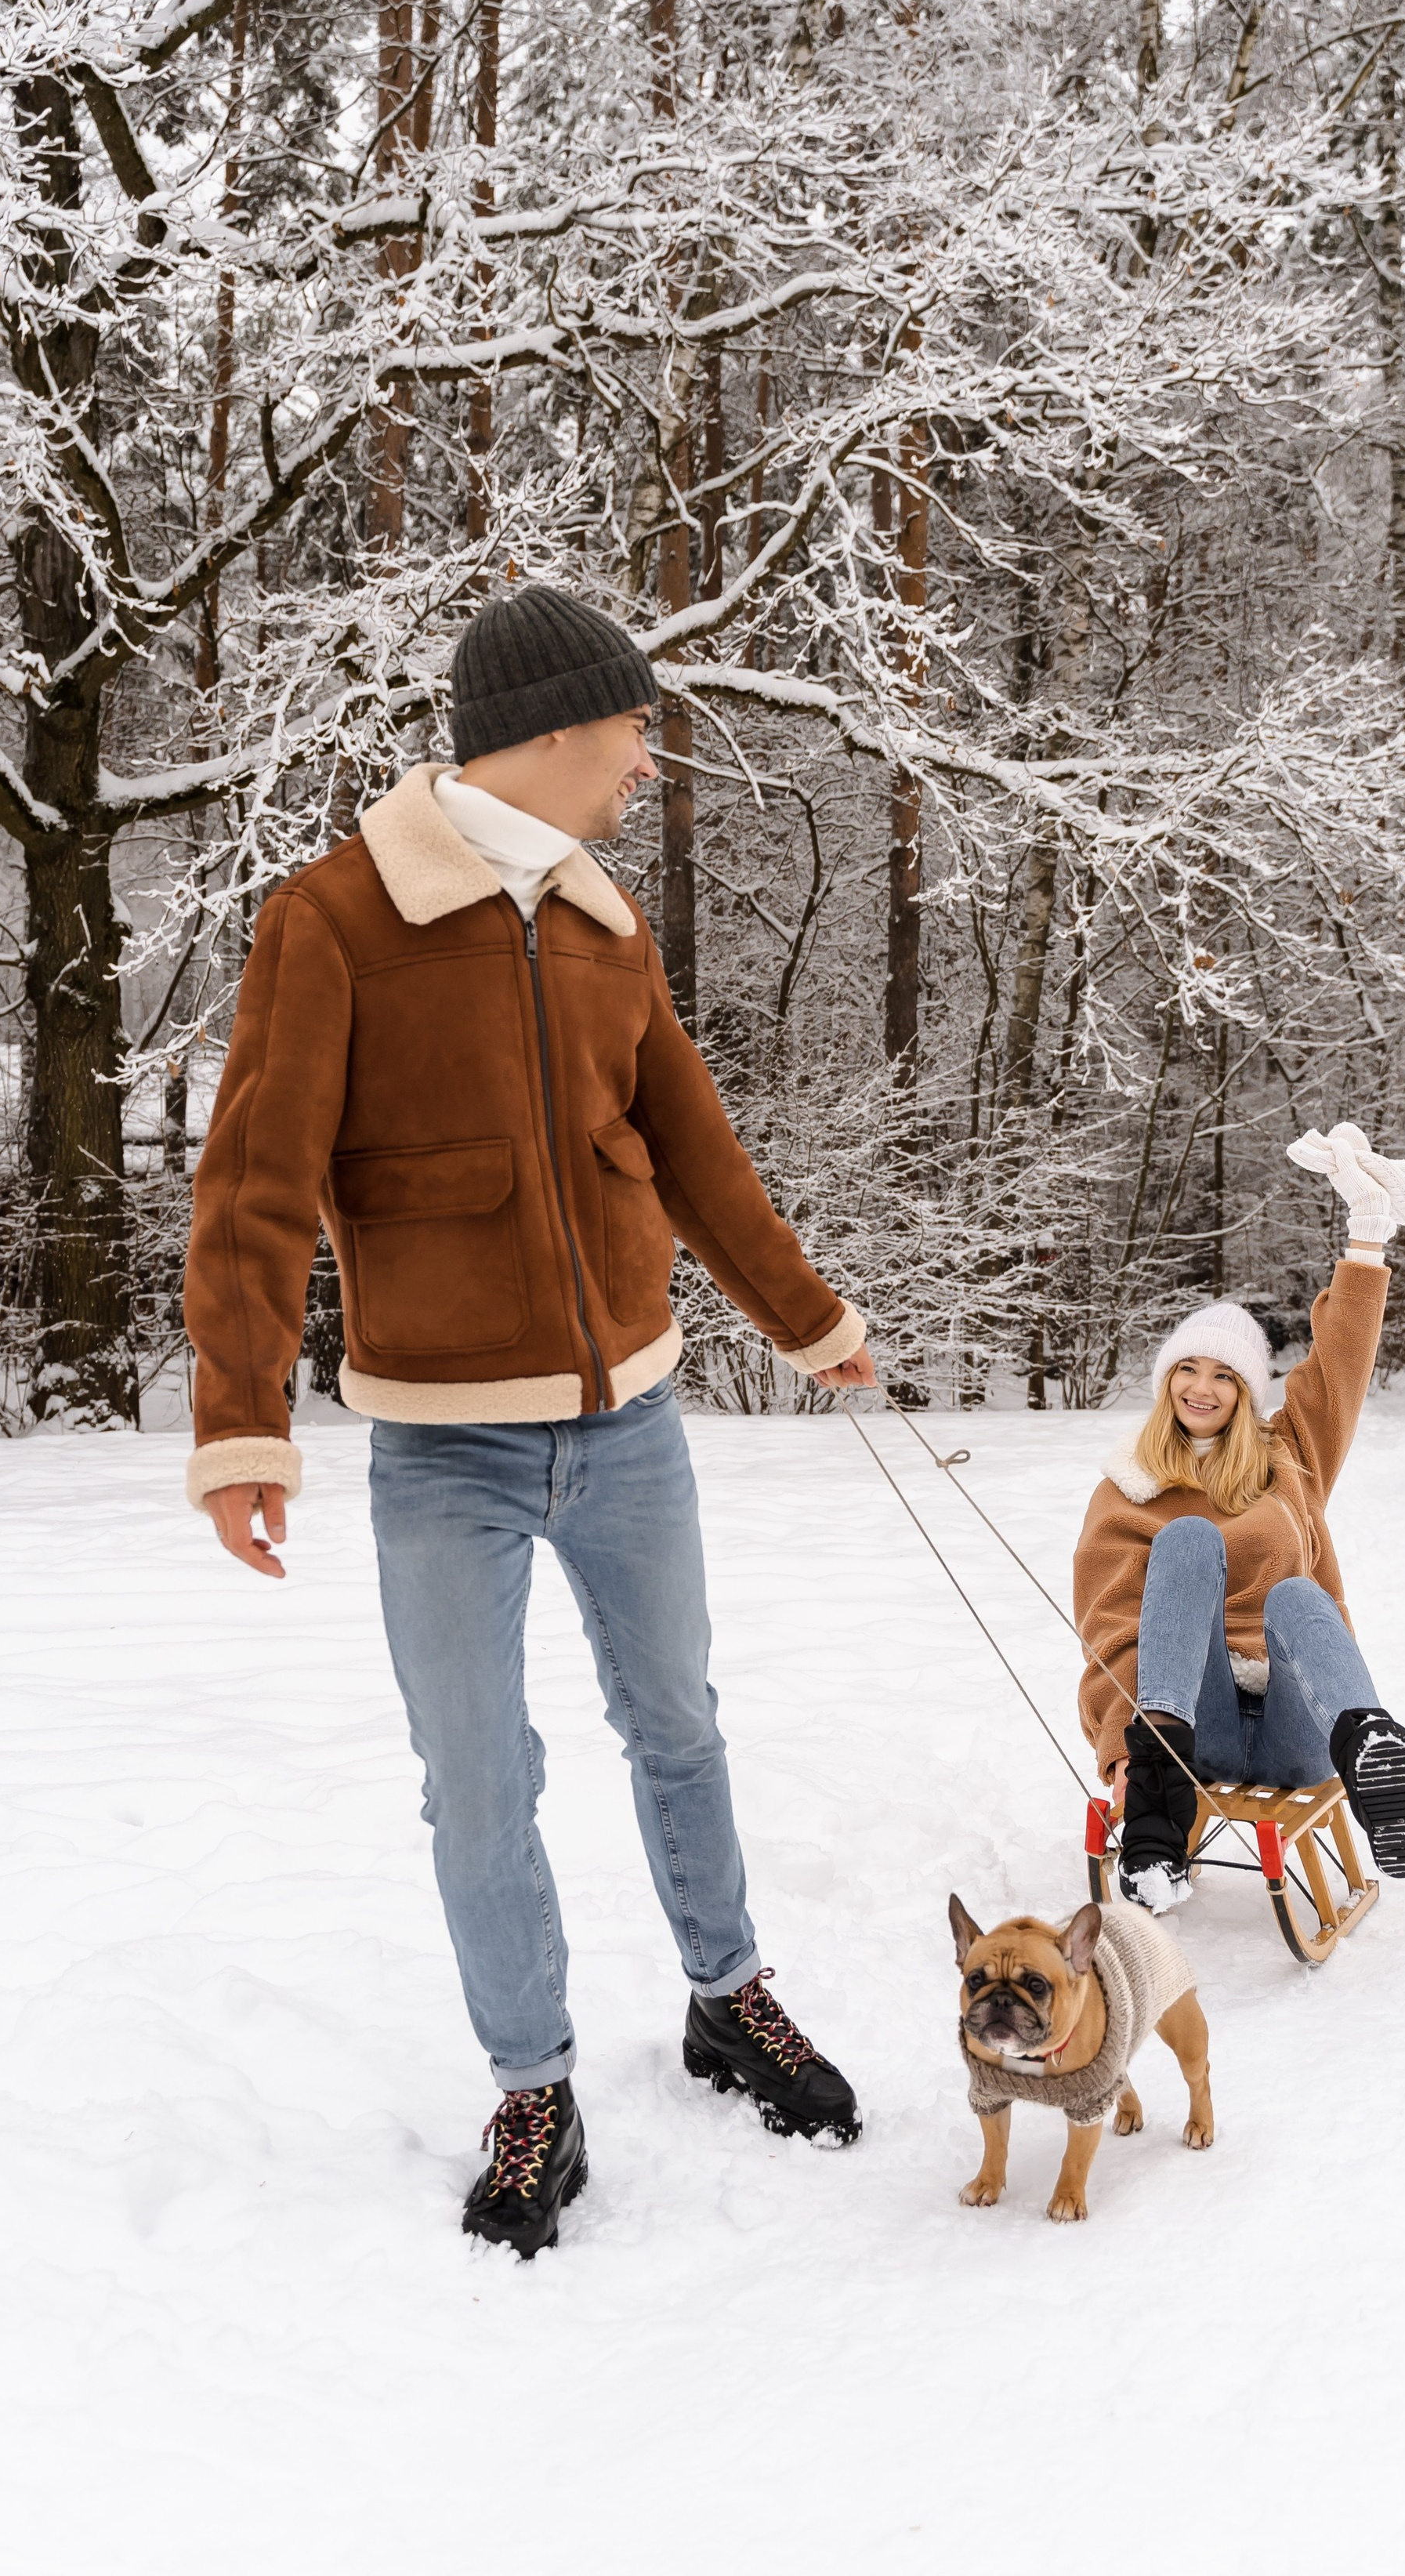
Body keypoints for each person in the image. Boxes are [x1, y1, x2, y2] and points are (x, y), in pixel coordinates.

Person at [182, 585, 875, 2255]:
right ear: (559, 729)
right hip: (443, 1448)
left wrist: (807, 1318)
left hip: (630, 1425)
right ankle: (532, 2086)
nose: (645, 763)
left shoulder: (596, 922)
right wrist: (242, 1423)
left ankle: (727, 1995)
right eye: (632, 731)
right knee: (477, 1782)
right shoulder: (335, 920)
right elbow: (256, 1185)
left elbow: (692, 1148)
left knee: (679, 1727)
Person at [1074, 1123, 1405, 1912]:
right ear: (1167, 1382)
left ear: (1248, 1393)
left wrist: (1366, 1238)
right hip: (1186, 1728)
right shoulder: (1125, 1491)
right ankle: (1158, 1788)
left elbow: (1339, 1365)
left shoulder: (1287, 1458)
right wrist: (1119, 1756)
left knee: (1298, 1597)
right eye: (1186, 1372)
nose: (1201, 1389)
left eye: (1223, 1377)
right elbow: (1109, 1636)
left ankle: (1371, 1742)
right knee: (1189, 1539)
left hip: (1294, 1726)